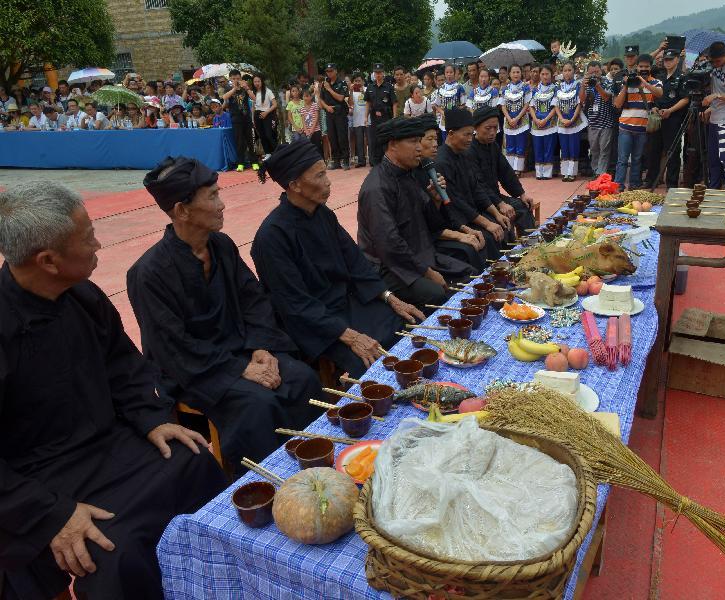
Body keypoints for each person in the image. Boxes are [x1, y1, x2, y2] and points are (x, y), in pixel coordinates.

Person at [0, 181, 226, 600]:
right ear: (48, 261)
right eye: (87, 239)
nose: (99, 244)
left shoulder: (82, 295)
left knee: (195, 461)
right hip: (40, 480)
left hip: (110, 444)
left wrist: (152, 418)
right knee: (114, 552)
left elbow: (125, 367)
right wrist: (52, 515)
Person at [127, 158, 322, 467]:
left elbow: (253, 300)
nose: (222, 205)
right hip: (196, 368)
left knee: (301, 378)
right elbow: (171, 346)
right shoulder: (148, 273)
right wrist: (238, 369)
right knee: (258, 404)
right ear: (181, 210)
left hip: (243, 348)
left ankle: (315, 463)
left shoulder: (221, 245)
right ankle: (267, 482)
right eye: (213, 197)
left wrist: (262, 347)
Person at [252, 136, 423, 376]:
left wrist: (389, 298)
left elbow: (356, 262)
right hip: (315, 322)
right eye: (319, 176)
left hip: (347, 302)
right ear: (295, 185)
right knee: (371, 364)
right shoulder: (271, 237)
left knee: (406, 329)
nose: (328, 182)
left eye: (325, 173)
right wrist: (351, 337)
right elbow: (294, 304)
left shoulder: (323, 215)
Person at [358, 117, 475, 307]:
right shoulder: (377, 187)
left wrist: (436, 201)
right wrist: (427, 272)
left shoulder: (409, 174)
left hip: (420, 254)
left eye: (419, 141)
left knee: (469, 274)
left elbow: (431, 225)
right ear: (392, 145)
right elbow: (389, 245)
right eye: (413, 142)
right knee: (437, 293)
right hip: (391, 267)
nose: (419, 148)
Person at [414, 114, 487, 271]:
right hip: (421, 242)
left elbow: (445, 210)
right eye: (430, 139)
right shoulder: (412, 174)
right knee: (468, 250)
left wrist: (437, 200)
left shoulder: (429, 167)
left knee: (484, 235)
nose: (435, 145)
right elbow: (420, 223)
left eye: (436, 139)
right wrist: (459, 234)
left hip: (441, 226)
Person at [437, 108, 509, 258]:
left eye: (472, 134)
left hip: (473, 212)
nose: (471, 139)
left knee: (503, 224)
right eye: (467, 134)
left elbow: (477, 189)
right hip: (457, 220)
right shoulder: (442, 162)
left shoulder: (463, 154)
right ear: (451, 134)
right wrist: (486, 223)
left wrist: (496, 213)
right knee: (489, 237)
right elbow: (456, 202)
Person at [467, 106, 537, 236]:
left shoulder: (493, 146)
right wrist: (500, 204)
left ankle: (530, 245)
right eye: (488, 128)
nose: (493, 132)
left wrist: (521, 194)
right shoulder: (469, 151)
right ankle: (511, 251)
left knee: (523, 206)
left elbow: (506, 173)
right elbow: (479, 185)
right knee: (505, 217)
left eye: (495, 128)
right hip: (480, 203)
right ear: (475, 128)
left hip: (495, 196)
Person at [613, 54, 662, 190]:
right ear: (636, 67)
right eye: (641, 66)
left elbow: (659, 93)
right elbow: (617, 104)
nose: (644, 69)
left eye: (646, 66)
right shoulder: (629, 82)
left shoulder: (655, 82)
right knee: (622, 160)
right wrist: (625, 86)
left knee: (637, 159)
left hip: (642, 129)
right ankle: (619, 185)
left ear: (651, 67)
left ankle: (634, 185)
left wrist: (644, 83)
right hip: (625, 127)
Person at [699, 41, 725, 189]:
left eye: (718, 61)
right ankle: (713, 189)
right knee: (713, 158)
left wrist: (716, 96)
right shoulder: (713, 66)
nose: (716, 64)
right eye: (713, 61)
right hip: (714, 119)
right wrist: (711, 107)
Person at [644, 49, 686, 188]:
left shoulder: (682, 77)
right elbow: (653, 96)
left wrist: (670, 110)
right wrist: (653, 107)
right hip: (657, 117)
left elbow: (686, 99)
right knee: (653, 150)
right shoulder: (660, 76)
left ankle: (671, 184)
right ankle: (650, 181)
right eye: (666, 60)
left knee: (672, 152)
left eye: (670, 59)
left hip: (673, 118)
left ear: (677, 60)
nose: (667, 62)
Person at [580, 60, 616, 177]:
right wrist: (582, 86)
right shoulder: (587, 84)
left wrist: (597, 85)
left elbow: (606, 97)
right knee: (594, 150)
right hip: (593, 124)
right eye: (591, 73)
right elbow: (582, 100)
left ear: (601, 71)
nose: (594, 75)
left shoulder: (608, 82)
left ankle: (601, 174)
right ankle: (596, 171)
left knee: (604, 151)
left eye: (597, 72)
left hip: (606, 123)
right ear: (587, 73)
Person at [556, 61, 588, 182]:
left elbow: (580, 103)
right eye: (565, 70)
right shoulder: (558, 86)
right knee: (564, 148)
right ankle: (565, 173)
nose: (567, 72)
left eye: (569, 70)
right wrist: (562, 118)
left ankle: (572, 173)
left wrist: (573, 119)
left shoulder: (578, 85)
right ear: (561, 72)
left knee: (574, 147)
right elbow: (556, 105)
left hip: (575, 120)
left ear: (574, 71)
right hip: (562, 121)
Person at [499, 64, 532, 174]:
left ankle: (518, 169)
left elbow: (527, 104)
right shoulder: (505, 89)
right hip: (509, 121)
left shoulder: (525, 87)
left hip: (521, 120)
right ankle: (510, 169)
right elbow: (502, 105)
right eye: (513, 72)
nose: (516, 74)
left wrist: (517, 118)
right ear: (509, 74)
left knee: (520, 145)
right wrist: (509, 118)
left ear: (521, 73)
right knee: (510, 145)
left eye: (518, 72)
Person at [222, 70, 256, 172]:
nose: (236, 80)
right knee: (239, 141)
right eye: (234, 78)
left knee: (250, 140)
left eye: (238, 78)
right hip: (236, 119)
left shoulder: (245, 87)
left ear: (240, 78)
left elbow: (254, 98)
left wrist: (246, 88)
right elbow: (224, 97)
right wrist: (234, 89)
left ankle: (254, 162)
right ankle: (240, 163)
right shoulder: (228, 88)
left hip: (246, 118)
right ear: (230, 79)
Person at [529, 64, 559, 180]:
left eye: (547, 74)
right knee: (538, 148)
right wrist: (535, 119)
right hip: (536, 124)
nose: (545, 76)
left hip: (550, 123)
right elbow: (531, 106)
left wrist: (546, 119)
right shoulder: (535, 89)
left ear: (551, 75)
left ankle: (547, 173)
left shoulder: (555, 89)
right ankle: (538, 173)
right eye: (542, 74)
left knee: (548, 148)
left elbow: (555, 107)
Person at [319, 63, 350, 170]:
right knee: (332, 137)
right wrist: (326, 107)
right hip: (329, 112)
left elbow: (341, 98)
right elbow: (320, 99)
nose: (329, 73)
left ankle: (345, 160)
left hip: (340, 113)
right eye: (327, 71)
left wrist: (330, 90)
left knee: (342, 137)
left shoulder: (342, 83)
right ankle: (336, 160)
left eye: (331, 71)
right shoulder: (324, 84)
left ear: (336, 71)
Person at [364, 64, 396, 165]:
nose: (378, 75)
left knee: (385, 139)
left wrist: (394, 117)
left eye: (380, 72)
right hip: (374, 117)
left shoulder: (389, 87)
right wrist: (365, 116)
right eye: (376, 73)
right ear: (374, 74)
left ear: (383, 73)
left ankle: (386, 161)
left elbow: (394, 102)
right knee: (374, 140)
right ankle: (375, 162)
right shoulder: (370, 87)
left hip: (386, 116)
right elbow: (368, 103)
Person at [434, 63, 467, 142]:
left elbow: (464, 104)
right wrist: (443, 113)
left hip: (456, 117)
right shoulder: (441, 88)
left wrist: (455, 111)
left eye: (451, 72)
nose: (449, 74)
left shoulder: (460, 87)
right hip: (444, 119)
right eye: (447, 72)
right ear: (445, 74)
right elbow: (436, 105)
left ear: (455, 73)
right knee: (445, 141)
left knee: (456, 140)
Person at [251, 75, 278, 159]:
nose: (257, 83)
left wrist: (266, 112)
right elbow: (253, 107)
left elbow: (275, 104)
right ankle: (268, 153)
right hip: (257, 115)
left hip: (267, 114)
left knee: (269, 135)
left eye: (258, 81)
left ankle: (277, 152)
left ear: (262, 81)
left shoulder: (268, 91)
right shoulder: (253, 92)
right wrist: (253, 119)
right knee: (262, 136)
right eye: (255, 81)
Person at [349, 73, 368, 167]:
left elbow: (370, 101)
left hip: (368, 119)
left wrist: (363, 92)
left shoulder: (367, 89)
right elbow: (350, 103)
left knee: (369, 140)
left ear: (363, 81)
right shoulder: (352, 92)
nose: (357, 82)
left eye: (359, 80)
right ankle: (361, 161)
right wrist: (351, 92)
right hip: (357, 119)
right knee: (359, 141)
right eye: (355, 81)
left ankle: (372, 159)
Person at [299, 87, 323, 157]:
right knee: (310, 148)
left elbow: (316, 118)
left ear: (311, 97)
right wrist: (306, 130)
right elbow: (303, 120)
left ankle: (321, 161)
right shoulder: (302, 108)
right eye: (304, 96)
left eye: (307, 96)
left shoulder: (315, 105)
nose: (305, 98)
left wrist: (312, 129)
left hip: (316, 130)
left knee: (318, 146)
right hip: (307, 132)